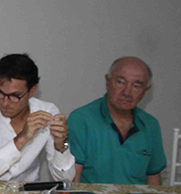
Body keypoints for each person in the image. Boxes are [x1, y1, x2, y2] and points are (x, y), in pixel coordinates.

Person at [0, 54, 75, 183]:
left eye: (15, 96)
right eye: (0, 93)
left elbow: (65, 180)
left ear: (32, 91)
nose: (5, 103)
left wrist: (60, 146)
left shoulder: (47, 112)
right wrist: (22, 138)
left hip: (26, 191)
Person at [68, 56, 166, 185]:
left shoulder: (150, 125)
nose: (127, 92)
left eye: (136, 86)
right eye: (120, 82)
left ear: (145, 91)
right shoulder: (81, 119)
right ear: (107, 82)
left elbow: (153, 178)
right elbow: (73, 179)